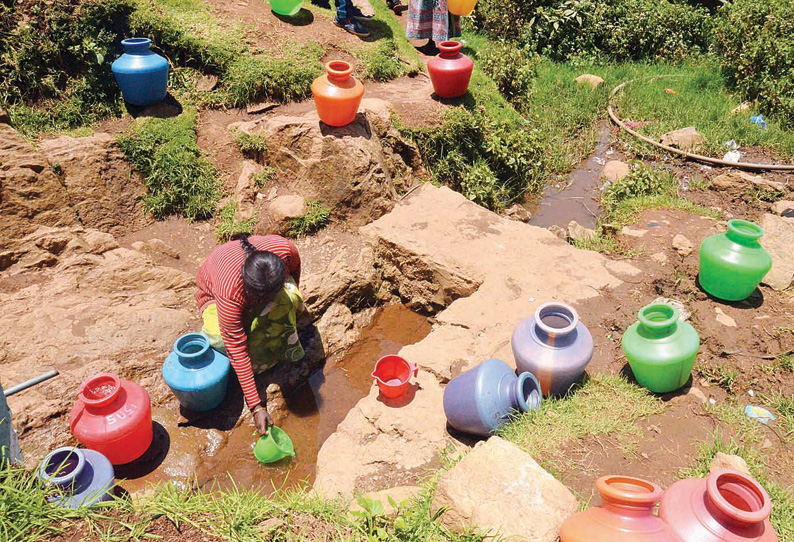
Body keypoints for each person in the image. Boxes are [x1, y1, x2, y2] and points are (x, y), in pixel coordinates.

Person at [195, 234, 304, 436]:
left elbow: (294, 272)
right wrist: (256, 406)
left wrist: (290, 299)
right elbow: (236, 348)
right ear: (251, 292)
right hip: (214, 294)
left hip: (259, 285)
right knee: (219, 338)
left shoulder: (284, 250)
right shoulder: (230, 292)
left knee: (290, 299)